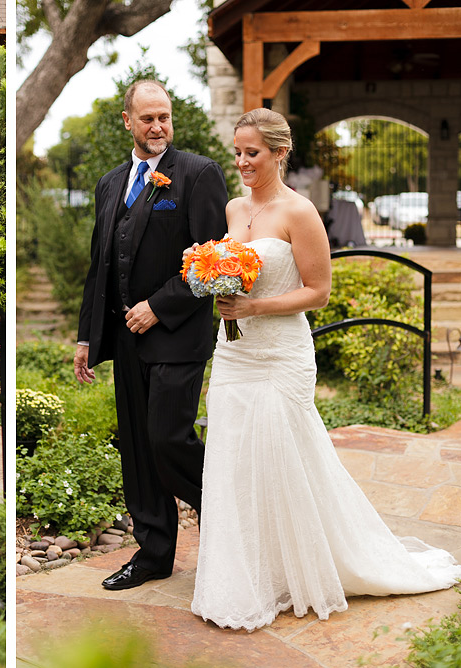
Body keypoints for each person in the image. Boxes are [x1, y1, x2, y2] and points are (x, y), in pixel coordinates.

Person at [189, 108, 461, 631]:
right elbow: (234, 272)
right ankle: (248, 575)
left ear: (279, 153)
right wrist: (214, 285)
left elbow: (318, 291)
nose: (242, 161)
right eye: (238, 152)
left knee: (286, 456)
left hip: (280, 355)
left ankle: (316, 561)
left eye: (253, 153)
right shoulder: (233, 207)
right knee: (232, 459)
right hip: (235, 353)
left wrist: (254, 307)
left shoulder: (300, 212)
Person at [74, 80, 229, 590]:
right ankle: (154, 554)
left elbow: (212, 261)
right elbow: (99, 266)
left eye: (164, 117)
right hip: (125, 339)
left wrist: (158, 308)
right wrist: (87, 338)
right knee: (139, 450)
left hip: (178, 336)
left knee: (167, 439)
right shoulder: (109, 183)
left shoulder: (198, 174)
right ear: (128, 122)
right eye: (148, 119)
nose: (158, 126)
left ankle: (229, 510)